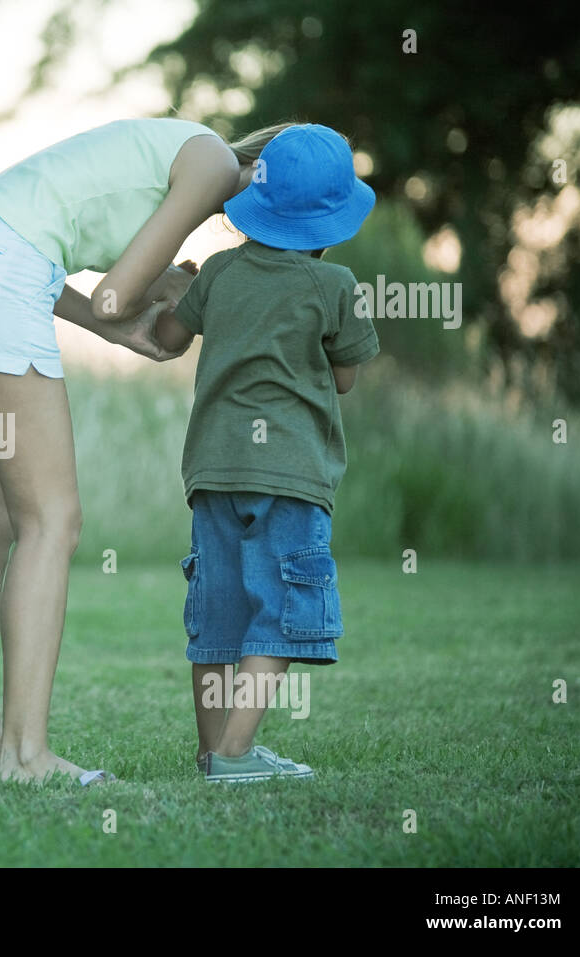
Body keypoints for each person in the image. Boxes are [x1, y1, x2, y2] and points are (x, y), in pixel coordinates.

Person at [0, 116, 292, 784]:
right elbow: (112, 292)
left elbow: (71, 282)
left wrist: (125, 319)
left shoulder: (179, 145)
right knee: (52, 520)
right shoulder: (214, 163)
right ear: (276, 177)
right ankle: (27, 756)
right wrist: (165, 295)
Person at [153, 123, 379, 783]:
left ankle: (211, 750)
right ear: (330, 222)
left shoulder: (220, 271)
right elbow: (344, 376)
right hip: (290, 472)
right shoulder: (332, 285)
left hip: (213, 469)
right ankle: (234, 756)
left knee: (216, 616)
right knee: (279, 611)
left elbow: (169, 333)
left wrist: (177, 285)